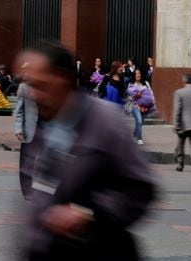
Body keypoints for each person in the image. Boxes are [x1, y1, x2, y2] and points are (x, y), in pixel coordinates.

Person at [17, 41, 156, 259]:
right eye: (30, 85)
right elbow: (38, 196)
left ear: (62, 80)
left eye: (40, 85)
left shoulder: (105, 121)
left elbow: (141, 187)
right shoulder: (44, 125)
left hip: (100, 250)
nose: (34, 94)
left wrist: (86, 214)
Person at [13, 80, 38, 198]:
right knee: (27, 163)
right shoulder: (24, 87)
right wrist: (18, 129)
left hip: (45, 129)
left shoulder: (49, 87)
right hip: (29, 130)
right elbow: (19, 110)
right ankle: (27, 192)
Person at [126, 68, 155, 145]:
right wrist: (136, 96)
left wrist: (152, 102)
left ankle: (134, 134)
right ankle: (139, 138)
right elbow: (129, 97)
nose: (138, 75)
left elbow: (151, 93)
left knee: (140, 122)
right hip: (135, 106)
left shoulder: (146, 83)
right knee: (139, 120)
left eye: (139, 73)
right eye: (136, 73)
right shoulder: (131, 84)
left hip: (145, 106)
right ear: (134, 75)